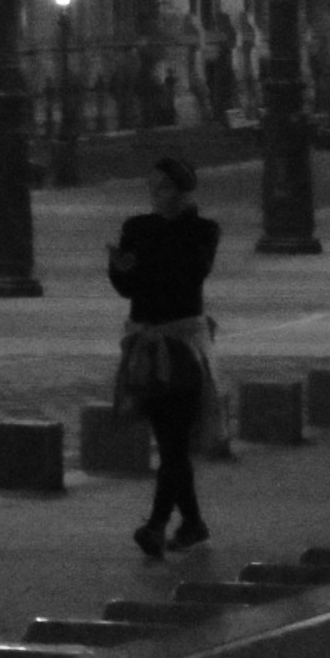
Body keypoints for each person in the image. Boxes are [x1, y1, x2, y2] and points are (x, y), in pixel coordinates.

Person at [109, 155, 225, 557]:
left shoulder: (203, 230)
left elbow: (191, 273)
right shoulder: (136, 227)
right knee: (168, 438)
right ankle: (192, 523)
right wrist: (121, 269)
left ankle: (157, 525)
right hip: (145, 341)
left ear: (182, 190)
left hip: (183, 345)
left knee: (174, 437)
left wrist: (143, 267)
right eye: (152, 186)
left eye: (163, 186)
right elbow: (128, 288)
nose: (156, 194)